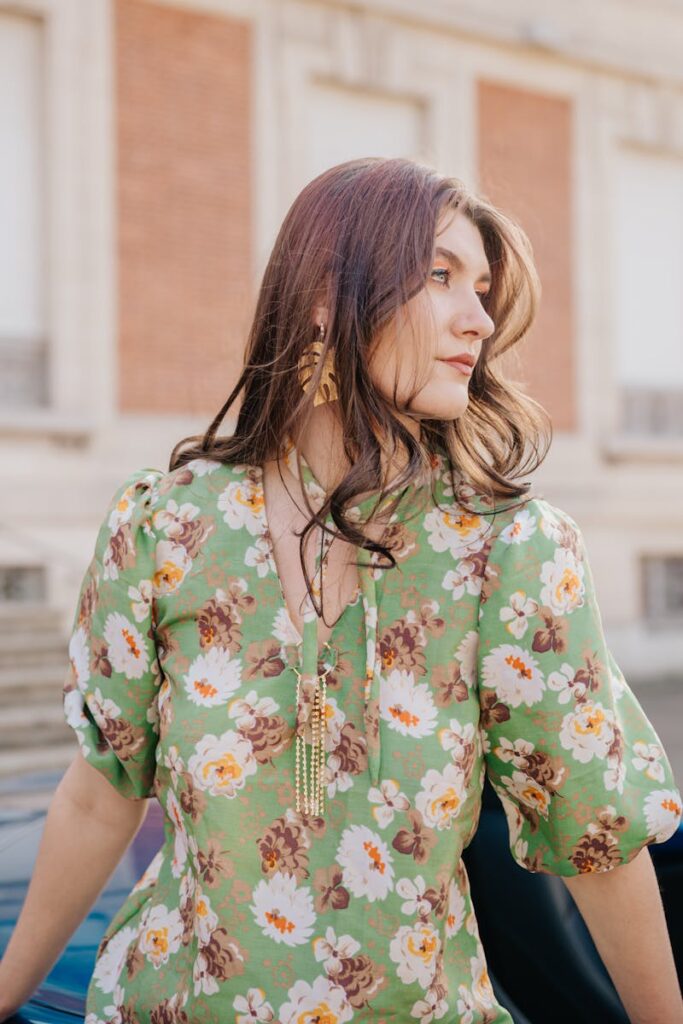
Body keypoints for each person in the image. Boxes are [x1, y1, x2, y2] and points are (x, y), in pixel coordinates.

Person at [0, 157, 681, 1024]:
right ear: (326, 294)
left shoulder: (509, 555)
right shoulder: (165, 527)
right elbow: (101, 794)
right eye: (440, 277)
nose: (478, 319)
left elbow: (597, 841)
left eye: (482, 288)